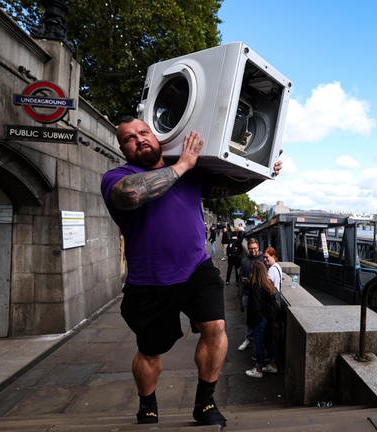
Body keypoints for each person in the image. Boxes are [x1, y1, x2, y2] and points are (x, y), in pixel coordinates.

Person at [100, 117, 281, 426]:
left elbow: (231, 184)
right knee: (150, 351)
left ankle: (205, 403)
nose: (139, 139)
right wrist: (182, 164)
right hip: (150, 281)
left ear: (157, 137)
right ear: (123, 149)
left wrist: (266, 172)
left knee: (215, 328)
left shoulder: (192, 172)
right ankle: (147, 405)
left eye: (144, 132)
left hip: (197, 269)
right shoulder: (118, 176)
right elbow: (131, 195)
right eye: (129, 138)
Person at [244, 260, 279, 378]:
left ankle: (258, 369)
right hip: (268, 318)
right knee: (268, 342)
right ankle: (272, 365)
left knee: (259, 343)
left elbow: (256, 306)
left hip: (259, 319)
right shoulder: (268, 284)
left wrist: (254, 320)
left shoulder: (255, 286)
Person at [237, 238, 262, 351]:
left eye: (255, 248)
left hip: (260, 296)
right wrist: (241, 297)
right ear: (248, 248)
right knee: (248, 319)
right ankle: (248, 339)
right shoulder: (244, 261)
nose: (253, 251)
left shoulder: (263, 259)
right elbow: (240, 278)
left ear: (258, 247)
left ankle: (257, 342)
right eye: (251, 249)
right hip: (247, 294)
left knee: (260, 321)